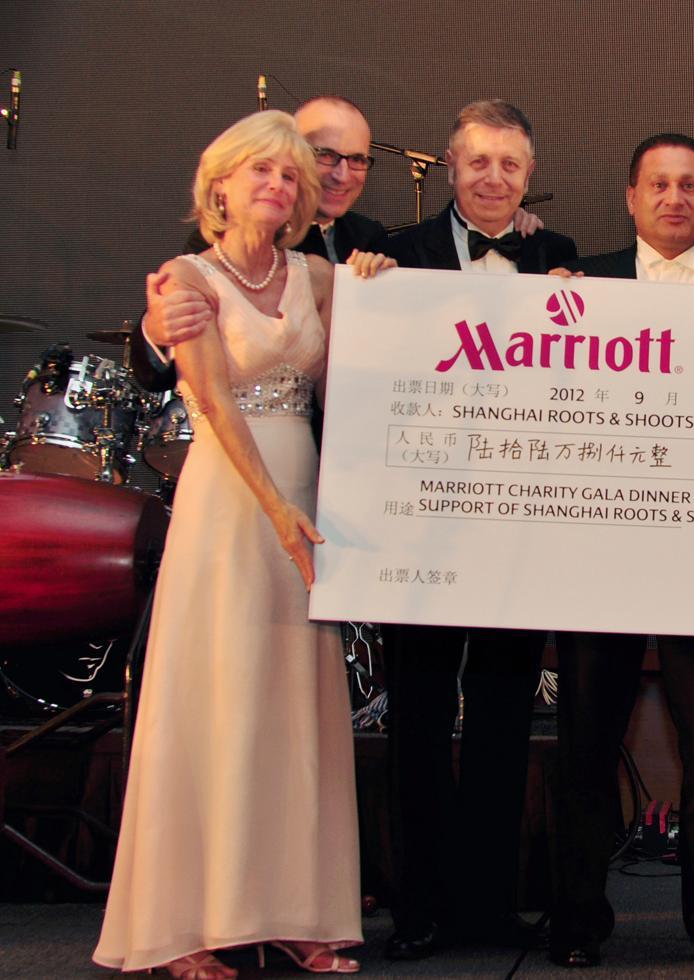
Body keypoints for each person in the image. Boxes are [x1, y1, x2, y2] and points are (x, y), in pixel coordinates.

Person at [93, 109, 383, 979]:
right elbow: (215, 404)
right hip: (230, 503)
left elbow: (362, 380)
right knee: (215, 699)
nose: (279, 185)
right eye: (262, 170)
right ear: (219, 184)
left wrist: (377, 287)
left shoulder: (319, 275)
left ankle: (296, 912)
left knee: (294, 706)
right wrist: (276, 511)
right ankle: (188, 926)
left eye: (292, 175)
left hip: (306, 495)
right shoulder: (186, 276)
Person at [546, 133, 694, 973]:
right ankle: (575, 923)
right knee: (584, 748)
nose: (674, 198)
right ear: (631, 197)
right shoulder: (575, 286)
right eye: (658, 184)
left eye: (690, 185)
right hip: (598, 555)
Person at [376, 98, 577, 962]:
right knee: (417, 719)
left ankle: (488, 906)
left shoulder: (559, 254)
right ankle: (417, 908)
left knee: (502, 718)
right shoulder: (392, 254)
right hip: (418, 519)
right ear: (451, 166)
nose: (495, 178)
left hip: (515, 520)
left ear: (531, 176)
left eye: (511, 164)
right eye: (480, 161)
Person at [132, 95, 541, 380]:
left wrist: (508, 218)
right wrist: (157, 332)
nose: (341, 174)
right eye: (324, 155)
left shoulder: (370, 237)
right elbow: (164, 376)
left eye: (357, 160)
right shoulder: (226, 243)